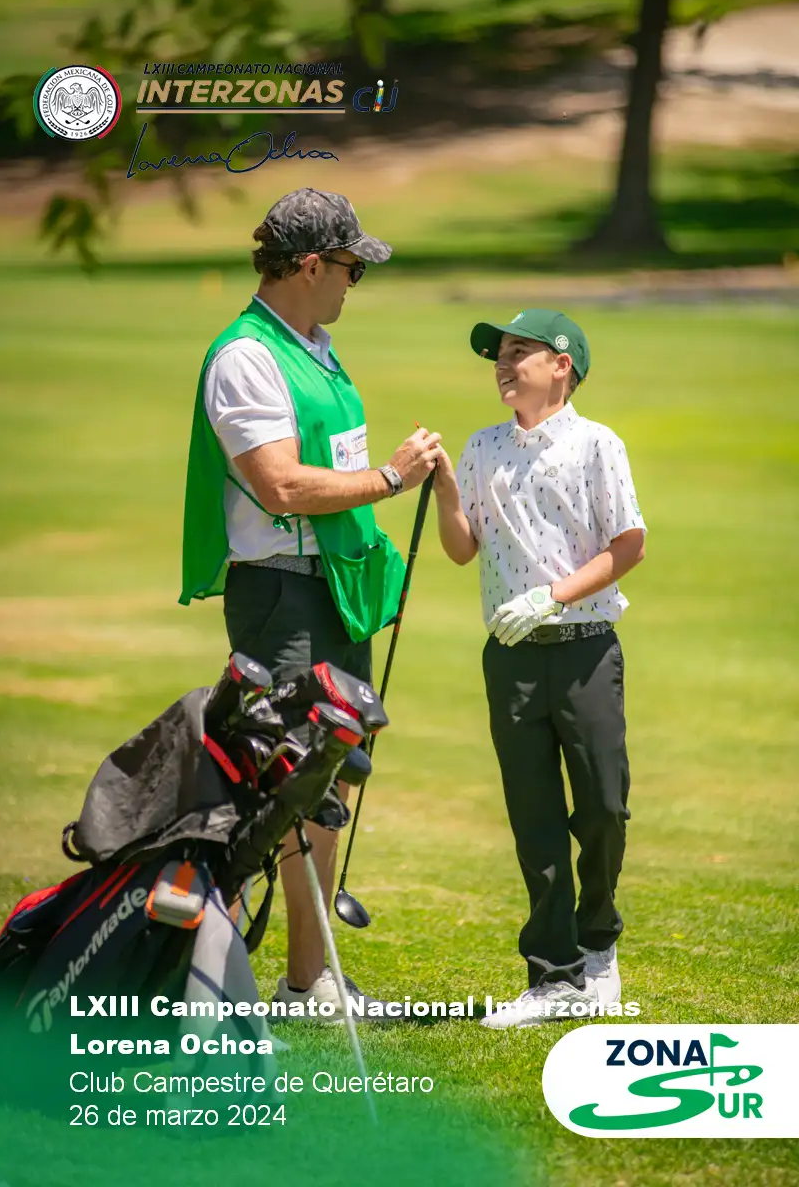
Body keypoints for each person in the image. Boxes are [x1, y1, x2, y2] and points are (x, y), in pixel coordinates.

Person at [180, 187, 441, 1019]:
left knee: (329, 778)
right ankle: (216, 980)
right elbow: (282, 486)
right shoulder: (247, 356)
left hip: (331, 589)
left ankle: (307, 979)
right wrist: (392, 478)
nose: (355, 283)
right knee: (281, 788)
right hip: (283, 593)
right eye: (352, 268)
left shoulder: (313, 347)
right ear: (310, 265)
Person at [432, 308, 646, 1029]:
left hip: (585, 647)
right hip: (513, 657)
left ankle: (598, 942)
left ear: (561, 365)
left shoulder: (597, 444)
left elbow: (628, 544)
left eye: (518, 351)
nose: (502, 364)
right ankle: (553, 975)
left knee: (604, 807)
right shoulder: (483, 446)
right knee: (534, 817)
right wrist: (446, 489)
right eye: (498, 354)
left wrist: (552, 596)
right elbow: (462, 549)